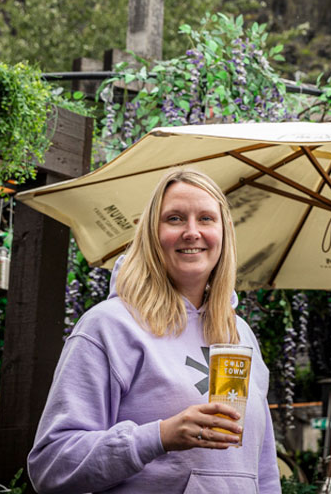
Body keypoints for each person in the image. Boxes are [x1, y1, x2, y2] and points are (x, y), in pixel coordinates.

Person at [28, 167, 280, 493]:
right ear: (150, 233)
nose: (192, 231)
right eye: (174, 219)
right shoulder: (109, 326)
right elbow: (50, 465)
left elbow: (262, 468)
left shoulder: (240, 334)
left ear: (225, 231)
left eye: (206, 218)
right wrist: (158, 437)